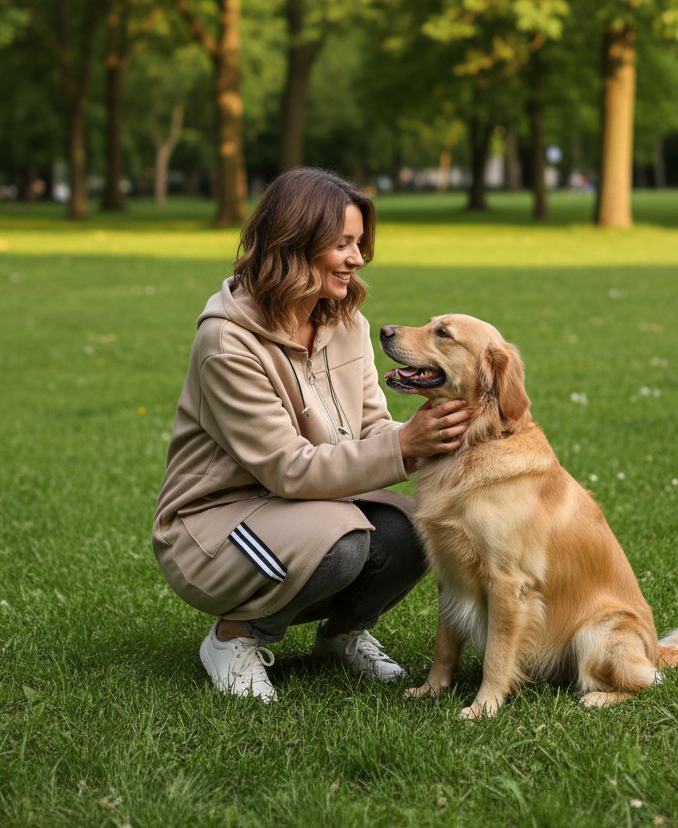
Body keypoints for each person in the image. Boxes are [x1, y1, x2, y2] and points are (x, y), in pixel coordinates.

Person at [152, 167, 470, 702]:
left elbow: (371, 428)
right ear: (294, 245)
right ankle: (235, 638)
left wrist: (436, 438)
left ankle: (342, 635)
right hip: (213, 526)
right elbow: (287, 468)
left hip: (310, 506)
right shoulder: (226, 343)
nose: (358, 258)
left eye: (359, 243)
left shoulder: (348, 324)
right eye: (343, 244)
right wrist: (404, 445)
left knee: (421, 528)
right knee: (344, 541)